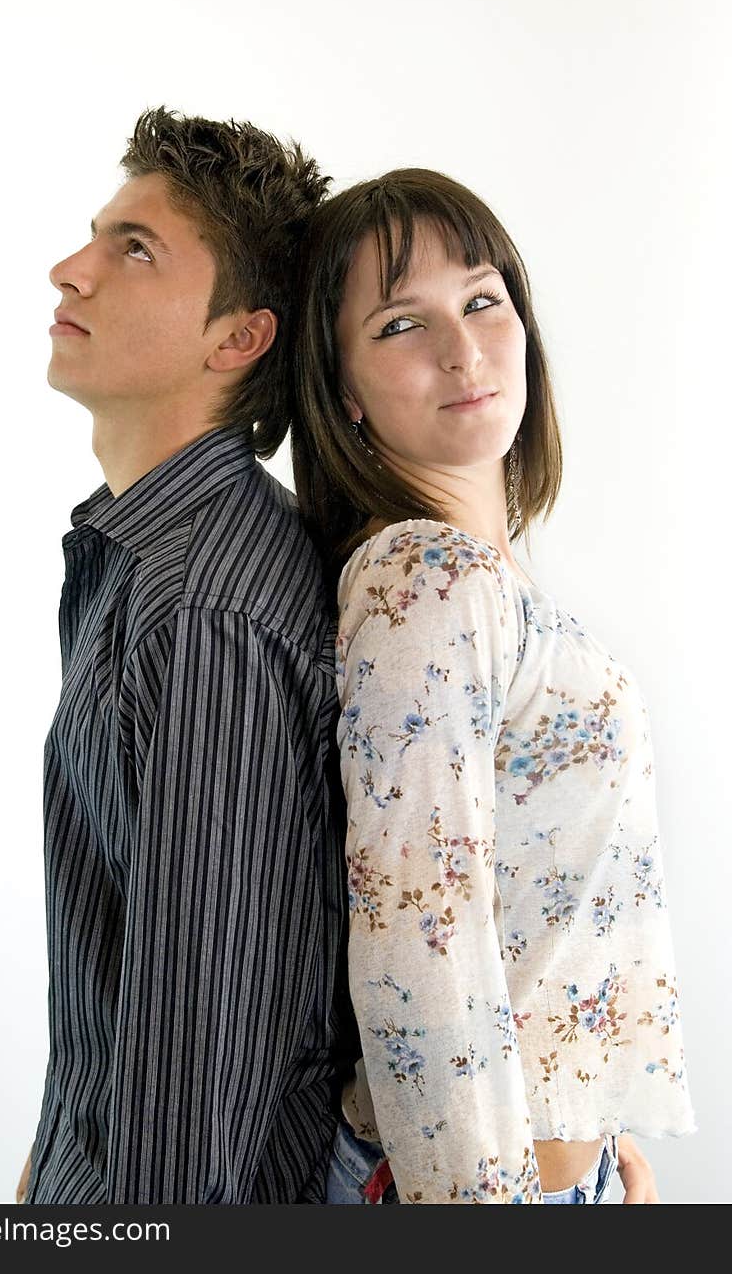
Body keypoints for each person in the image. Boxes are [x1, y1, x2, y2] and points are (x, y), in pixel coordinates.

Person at [289, 166, 696, 1204]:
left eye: (481, 299)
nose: (462, 348)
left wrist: (597, 1151)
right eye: (398, 324)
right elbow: (420, 946)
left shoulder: (485, 573)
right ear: (341, 389)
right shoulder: (427, 578)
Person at [17, 106, 357, 1204]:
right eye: (96, 234)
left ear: (238, 337)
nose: (71, 271)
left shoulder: (207, 612)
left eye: (134, 248)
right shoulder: (145, 557)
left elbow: (191, 1072)